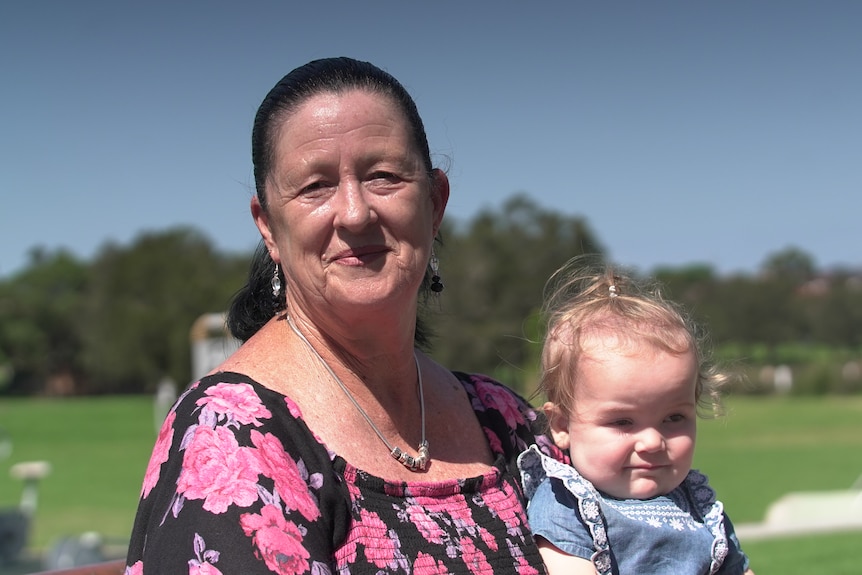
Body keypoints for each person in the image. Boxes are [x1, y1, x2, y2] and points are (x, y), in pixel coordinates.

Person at [124, 57, 565, 574]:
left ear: (435, 201)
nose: (355, 213)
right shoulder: (231, 439)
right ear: (267, 226)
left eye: (384, 176)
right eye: (315, 186)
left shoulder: (508, 424)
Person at [517, 257, 754, 575]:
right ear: (562, 425)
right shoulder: (568, 504)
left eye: (673, 418)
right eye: (622, 422)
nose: (653, 441)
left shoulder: (699, 507)